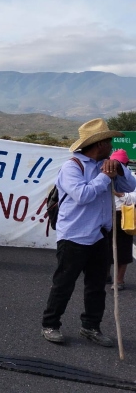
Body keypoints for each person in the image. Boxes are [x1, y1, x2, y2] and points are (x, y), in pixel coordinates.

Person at [41, 118, 136, 347]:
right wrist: (106, 176)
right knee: (64, 282)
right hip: (74, 235)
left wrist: (119, 170)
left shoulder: (110, 164)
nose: (112, 145)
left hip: (100, 235)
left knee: (96, 285)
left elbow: (129, 187)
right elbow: (83, 195)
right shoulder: (72, 167)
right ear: (100, 144)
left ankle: (91, 326)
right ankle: (50, 324)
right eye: (109, 141)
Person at [109, 149, 134, 291]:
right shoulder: (103, 176)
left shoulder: (130, 177)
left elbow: (134, 195)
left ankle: (119, 280)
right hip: (105, 214)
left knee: (123, 248)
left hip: (123, 215)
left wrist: (120, 194)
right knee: (103, 247)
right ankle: (105, 275)